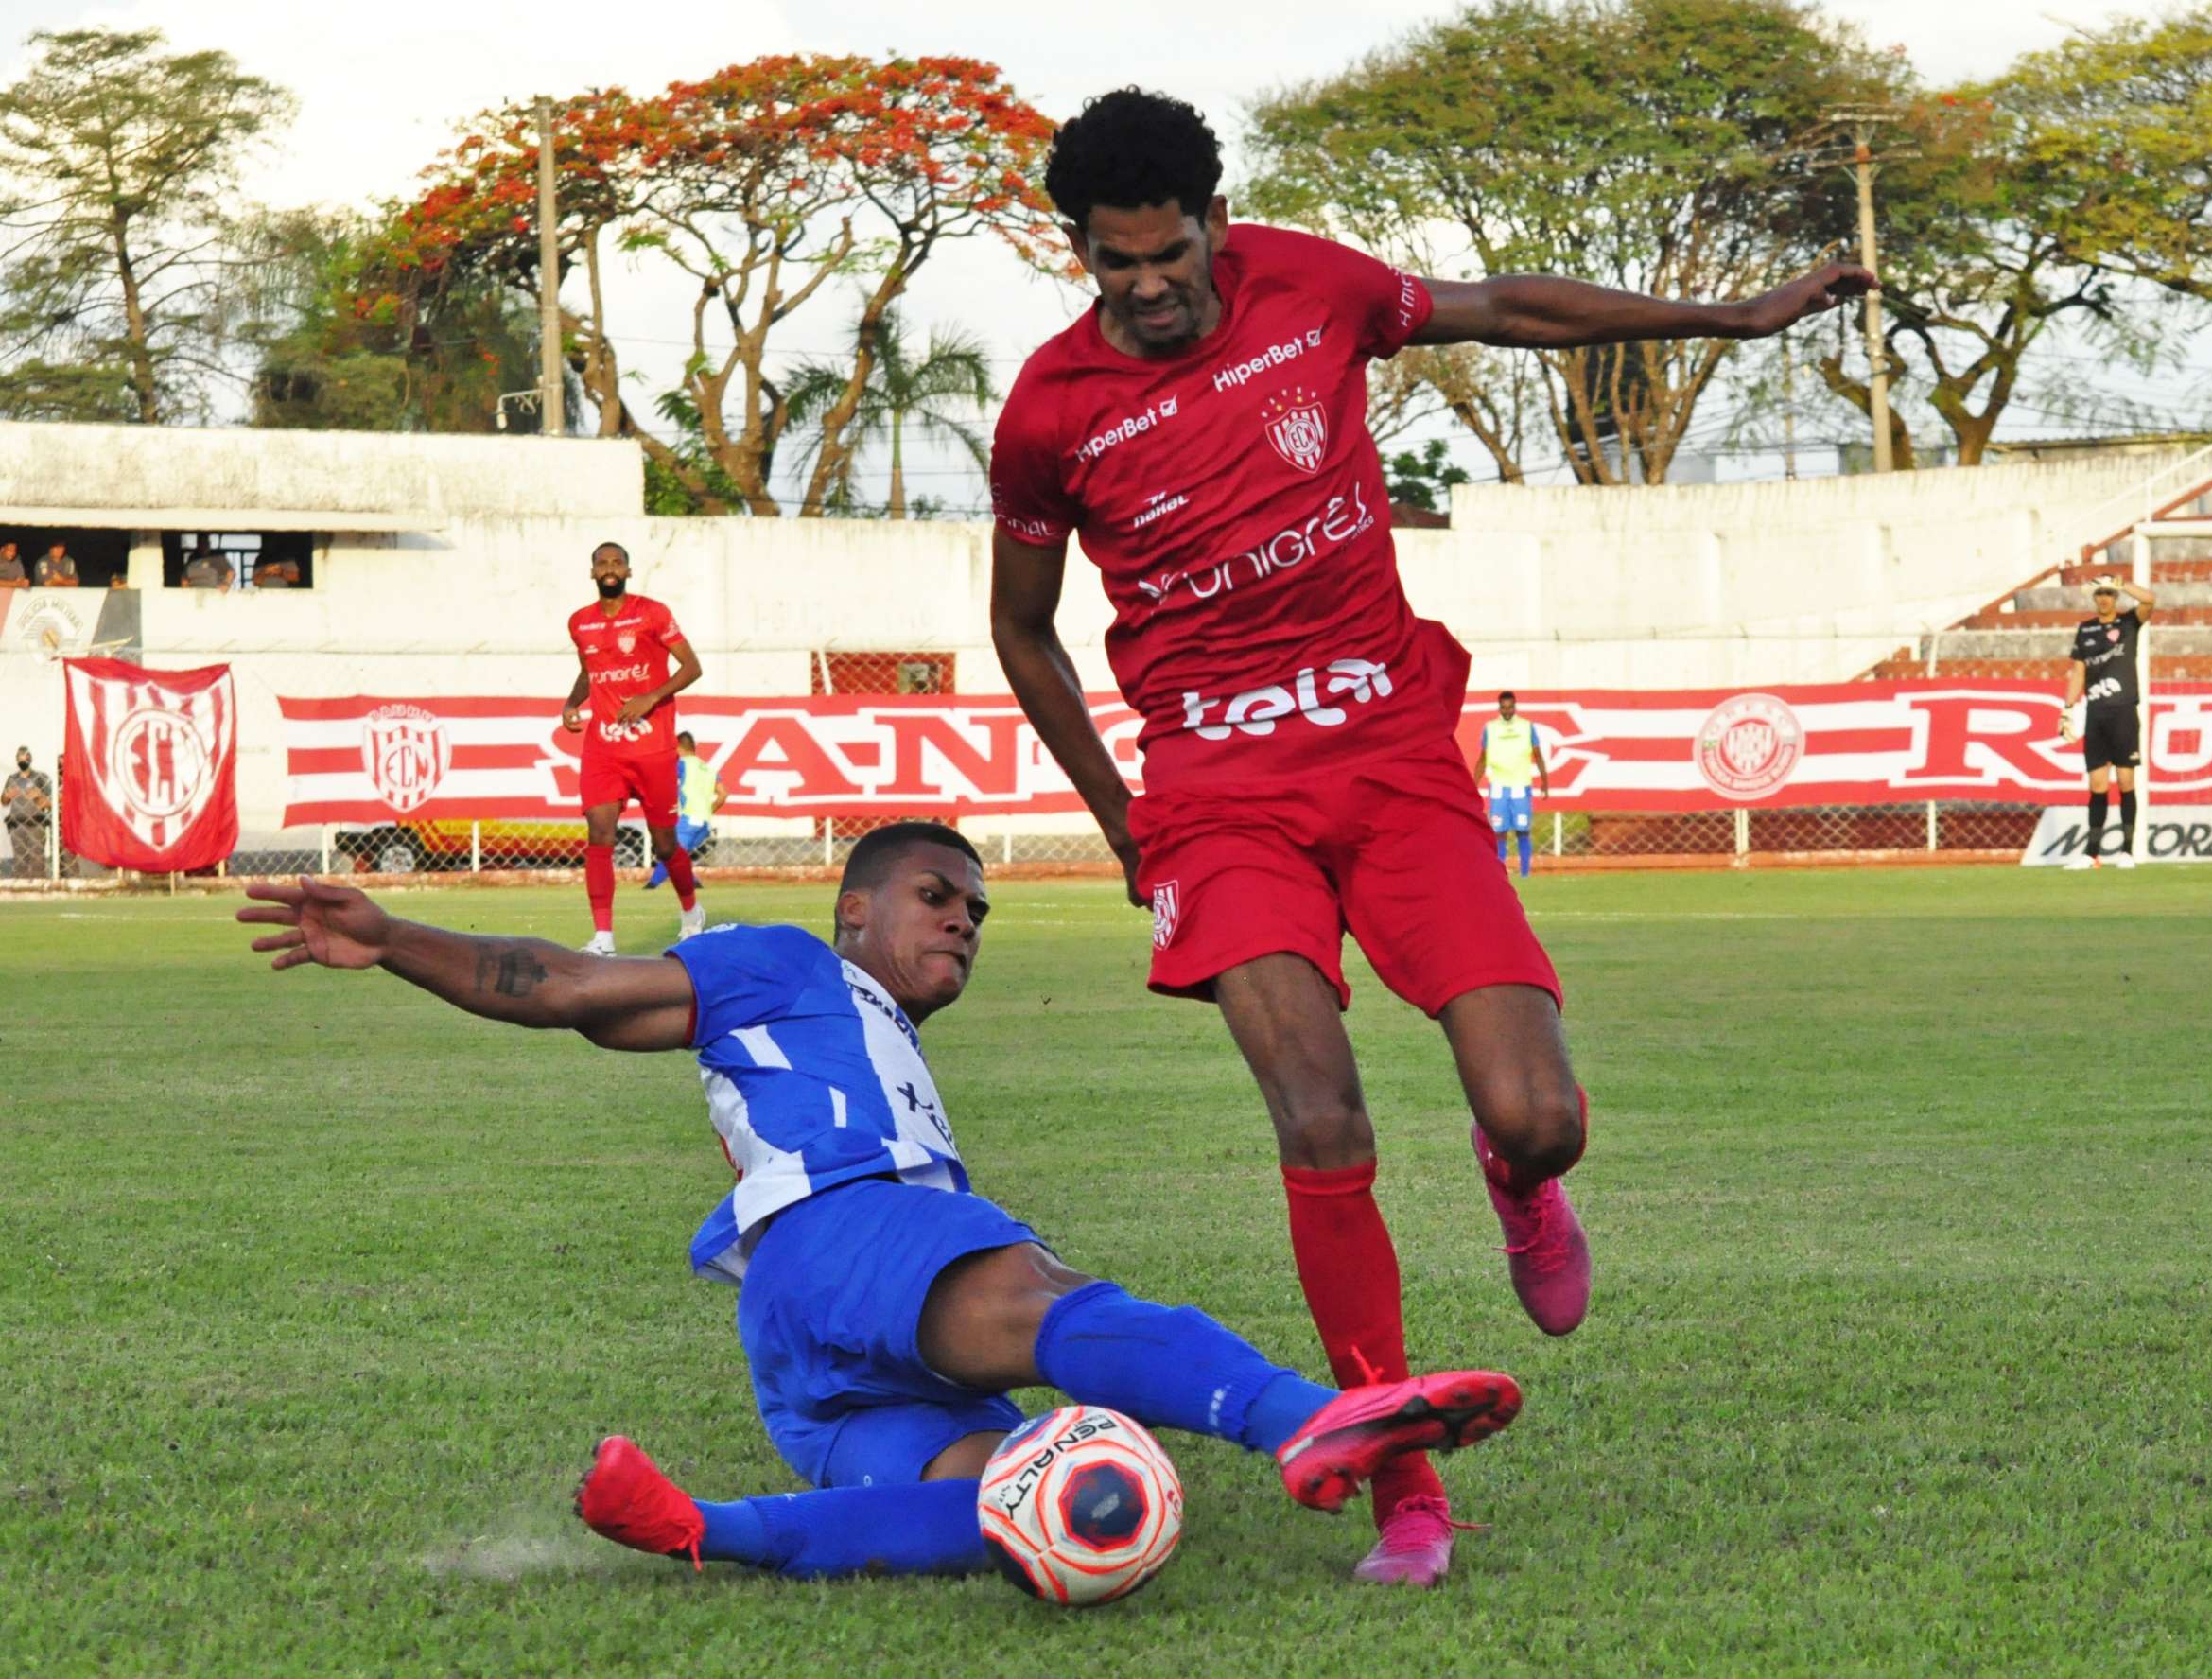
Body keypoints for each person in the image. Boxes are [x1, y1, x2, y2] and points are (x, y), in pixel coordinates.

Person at [986, 88, 1872, 1585]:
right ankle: (1403, 1483)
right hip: (1218, 791)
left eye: (1169, 252)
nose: (1146, 286)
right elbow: (1023, 630)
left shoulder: (1313, 287)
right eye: (1112, 261)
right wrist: (1124, 818)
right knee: (1318, 1117)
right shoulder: (1050, 409)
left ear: (1214, 221)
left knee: (1543, 1113)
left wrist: (1727, 318)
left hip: (1392, 755)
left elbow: (1503, 306)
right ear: (1079, 249)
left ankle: (1519, 1174)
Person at [233, 822, 1523, 1583]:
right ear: (853, 909)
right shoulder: (787, 962)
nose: (963, 921)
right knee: (1047, 1297)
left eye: (977, 912)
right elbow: (567, 985)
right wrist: (395, 938)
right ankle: (1302, 1418)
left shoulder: (860, 1025)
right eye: (935, 896)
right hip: (847, 1231)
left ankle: (703, 1527)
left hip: (800, 1336)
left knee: (1020, 1501)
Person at [561, 541, 705, 952]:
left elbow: (692, 667)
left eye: (617, 562)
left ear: (627, 571)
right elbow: (590, 672)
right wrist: (572, 703)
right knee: (599, 832)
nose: (609, 568)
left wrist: (650, 697)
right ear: (592, 572)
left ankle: (691, 910)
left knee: (665, 843)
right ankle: (603, 937)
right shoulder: (580, 623)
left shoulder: (652, 613)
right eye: (602, 563)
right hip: (604, 749)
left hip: (652, 747)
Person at [2060, 576, 2157, 870]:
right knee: (2097, 784)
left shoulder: (2128, 622)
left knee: (2126, 781)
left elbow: (2150, 599)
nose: (2104, 598)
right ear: (2094, 598)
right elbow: (2078, 672)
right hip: (2096, 714)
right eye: (2100, 593)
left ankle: (2127, 852)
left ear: (2116, 597)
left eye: (2109, 593)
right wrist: (2067, 709)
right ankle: (2091, 854)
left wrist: (2123, 584)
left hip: (2123, 712)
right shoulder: (2085, 629)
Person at [1473, 691, 1549, 878]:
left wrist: (1545, 781)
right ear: (1499, 708)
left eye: (1510, 707)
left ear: (1515, 707)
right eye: (1503, 707)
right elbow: (1482, 758)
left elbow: (1538, 754)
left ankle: (1525, 874)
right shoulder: (1490, 728)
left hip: (1520, 786)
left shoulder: (1526, 727)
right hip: (1498, 787)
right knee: (1499, 832)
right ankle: (1500, 873)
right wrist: (1473, 785)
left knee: (1523, 830)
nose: (1507, 711)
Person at [646, 731, 724, 890]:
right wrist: (707, 811)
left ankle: (650, 888)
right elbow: (723, 794)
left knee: (670, 853)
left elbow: (660, 777)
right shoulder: (708, 768)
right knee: (678, 856)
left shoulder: (682, 763)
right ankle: (695, 885)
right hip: (705, 824)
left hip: (689, 819)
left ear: (677, 747)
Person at [3, 746, 53, 878]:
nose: (22, 760)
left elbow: (50, 803)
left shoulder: (40, 777)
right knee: (19, 860)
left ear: (30, 759)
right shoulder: (12, 779)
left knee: (37, 859)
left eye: (25, 757)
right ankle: (20, 884)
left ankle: (40, 884)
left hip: (36, 824)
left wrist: (39, 796)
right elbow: (3, 801)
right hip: (17, 825)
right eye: (19, 758)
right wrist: (7, 796)